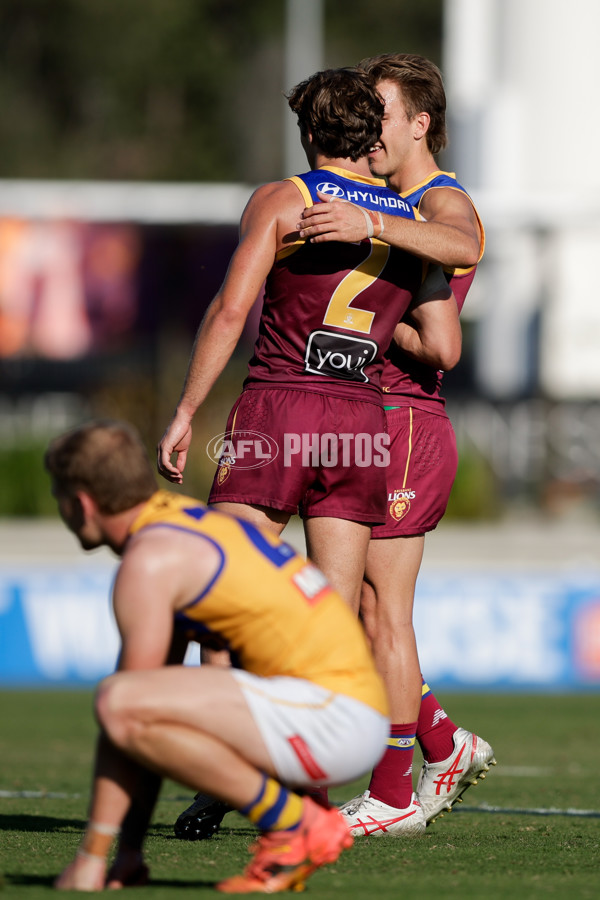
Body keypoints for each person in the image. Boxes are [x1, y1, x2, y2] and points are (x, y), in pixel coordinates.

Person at [157, 66, 456, 615]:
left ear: (310, 133)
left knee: (224, 594)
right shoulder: (408, 221)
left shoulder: (282, 200)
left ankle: (230, 701)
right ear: (371, 136)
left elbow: (229, 313)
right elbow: (445, 344)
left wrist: (185, 409)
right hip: (361, 424)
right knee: (335, 621)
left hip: (279, 405)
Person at [46, 419, 391, 893]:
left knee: (119, 700)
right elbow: (141, 729)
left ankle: (296, 824)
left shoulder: (152, 559)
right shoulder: (179, 524)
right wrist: (127, 854)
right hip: (348, 710)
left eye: (58, 495)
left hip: (334, 718)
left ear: (82, 503)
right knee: (132, 706)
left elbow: (126, 709)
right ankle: (291, 827)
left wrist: (92, 857)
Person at [297, 53, 495, 835]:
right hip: (365, 416)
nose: (370, 128)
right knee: (362, 609)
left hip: (408, 421)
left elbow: (464, 248)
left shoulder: (438, 199)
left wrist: (370, 228)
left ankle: (393, 792)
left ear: (419, 122)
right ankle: (441, 741)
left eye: (382, 111)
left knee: (383, 614)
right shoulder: (384, 199)